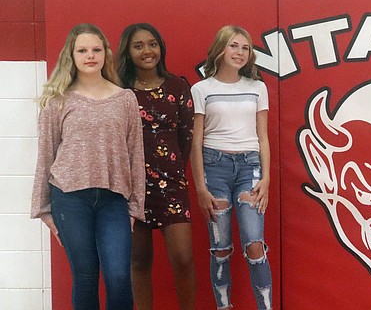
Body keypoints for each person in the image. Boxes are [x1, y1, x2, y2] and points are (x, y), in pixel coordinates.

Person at [30, 23, 144, 310]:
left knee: (118, 277)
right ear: (72, 55)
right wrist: (42, 209)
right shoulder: (57, 101)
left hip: (113, 201)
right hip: (69, 199)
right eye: (82, 50)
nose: (90, 55)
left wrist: (135, 206)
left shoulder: (125, 99)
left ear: (105, 53)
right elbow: (45, 154)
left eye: (96, 49)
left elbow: (135, 155)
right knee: (85, 277)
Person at [190, 25, 272, 310]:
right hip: (215, 167)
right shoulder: (201, 89)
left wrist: (267, 178)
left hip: (250, 167)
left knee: (254, 243)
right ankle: (223, 306)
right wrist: (200, 187)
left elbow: (262, 136)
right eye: (234, 46)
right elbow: (196, 141)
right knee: (221, 248)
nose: (240, 53)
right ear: (221, 49)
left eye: (245, 48)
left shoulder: (257, 87)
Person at [116, 23, 196, 310]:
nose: (147, 51)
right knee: (138, 260)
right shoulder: (118, 91)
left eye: (152, 44)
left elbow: (186, 136)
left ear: (160, 47)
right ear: (127, 51)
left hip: (172, 184)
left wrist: (171, 169)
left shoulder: (178, 86)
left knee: (184, 258)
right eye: (138, 46)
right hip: (131, 187)